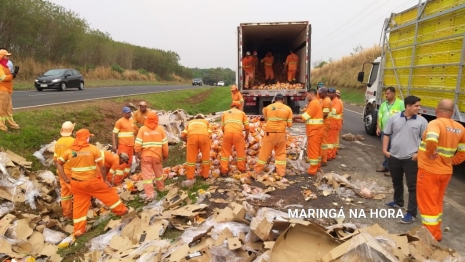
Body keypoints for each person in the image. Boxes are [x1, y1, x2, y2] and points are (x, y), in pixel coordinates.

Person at [57, 129, 128, 237]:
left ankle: (78, 230)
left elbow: (59, 163)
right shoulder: (93, 149)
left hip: (76, 184)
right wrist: (104, 180)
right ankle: (122, 211)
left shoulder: (71, 151)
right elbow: (102, 166)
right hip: (92, 182)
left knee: (79, 208)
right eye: (89, 137)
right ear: (87, 138)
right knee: (109, 194)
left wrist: (65, 178)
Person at [417, 99, 465, 241]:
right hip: (445, 172)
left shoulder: (435, 123)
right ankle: (436, 233)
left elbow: (432, 139)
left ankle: (430, 237)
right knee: (437, 202)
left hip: (429, 171)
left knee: (428, 204)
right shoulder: (460, 128)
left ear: (437, 110)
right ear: (452, 112)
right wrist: (452, 161)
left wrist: (430, 153)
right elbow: (463, 151)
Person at [382, 96, 428, 223]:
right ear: (408, 106)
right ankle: (398, 202)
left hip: (411, 158)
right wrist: (385, 150)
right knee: (396, 181)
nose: (419, 108)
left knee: (412, 186)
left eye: (419, 106)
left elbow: (426, 141)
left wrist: (418, 154)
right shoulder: (394, 118)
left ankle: (411, 213)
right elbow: (387, 134)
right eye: (416, 106)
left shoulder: (422, 121)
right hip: (394, 156)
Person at [254, 94, 293, 177]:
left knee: (264, 153)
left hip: (269, 134)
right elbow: (289, 125)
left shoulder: (268, 107)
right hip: (281, 135)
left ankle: (257, 171)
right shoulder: (288, 109)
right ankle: (281, 173)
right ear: (283, 100)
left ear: (274, 100)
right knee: (281, 154)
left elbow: (265, 118)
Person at [135, 112, 169, 201]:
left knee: (147, 177)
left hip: (146, 156)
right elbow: (165, 145)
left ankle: (150, 195)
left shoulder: (142, 129)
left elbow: (138, 144)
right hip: (157, 156)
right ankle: (161, 188)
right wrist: (165, 155)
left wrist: (137, 154)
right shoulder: (160, 129)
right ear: (156, 120)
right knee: (159, 174)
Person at [293, 89, 324, 175]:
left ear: (311, 94)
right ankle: (317, 167)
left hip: (314, 131)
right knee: (317, 151)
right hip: (317, 130)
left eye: (307, 95)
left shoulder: (313, 103)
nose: (306, 97)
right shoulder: (316, 103)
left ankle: (312, 171)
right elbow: (309, 118)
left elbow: (305, 116)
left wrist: (293, 117)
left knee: (313, 152)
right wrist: (297, 121)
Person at [377, 86, 405, 173]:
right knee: (386, 150)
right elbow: (379, 116)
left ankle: (393, 169)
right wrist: (378, 127)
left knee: (394, 151)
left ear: (393, 94)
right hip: (385, 131)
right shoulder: (383, 105)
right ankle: (386, 166)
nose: (386, 95)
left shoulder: (400, 103)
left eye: (388, 93)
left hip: (396, 132)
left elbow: (405, 116)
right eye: (385, 94)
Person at [53, 121, 76, 220]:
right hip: (71, 172)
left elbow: (55, 159)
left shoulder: (58, 142)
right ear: (72, 130)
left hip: (61, 171)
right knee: (77, 192)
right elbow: (77, 158)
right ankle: (79, 213)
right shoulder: (73, 141)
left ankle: (67, 214)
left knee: (65, 193)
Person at [220, 101, 250, 176]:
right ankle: (242, 169)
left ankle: (224, 171)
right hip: (238, 134)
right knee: (240, 153)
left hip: (227, 134)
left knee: (225, 153)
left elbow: (222, 128)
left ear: (231, 106)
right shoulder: (242, 113)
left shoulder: (225, 113)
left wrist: (226, 135)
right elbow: (247, 128)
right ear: (239, 107)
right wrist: (246, 137)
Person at [181, 114, 212, 185]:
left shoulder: (190, 123)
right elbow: (210, 134)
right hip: (204, 137)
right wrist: (208, 145)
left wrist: (188, 142)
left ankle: (190, 177)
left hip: (192, 137)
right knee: (205, 158)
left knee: (191, 160)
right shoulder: (205, 122)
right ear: (202, 118)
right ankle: (205, 175)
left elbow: (182, 135)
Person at [0, 49, 20, 132]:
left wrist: (14, 74)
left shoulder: (5, 66)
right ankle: (2, 127)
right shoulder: (0, 66)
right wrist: (12, 75)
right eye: (6, 56)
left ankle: (13, 126)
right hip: (2, 90)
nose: (8, 58)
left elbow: (9, 77)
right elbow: (3, 78)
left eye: (8, 56)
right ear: (1, 56)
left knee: (9, 109)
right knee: (1, 110)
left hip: (8, 90)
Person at [112, 107, 135, 174]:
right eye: (127, 113)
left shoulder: (132, 121)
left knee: (129, 163)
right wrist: (114, 145)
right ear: (123, 114)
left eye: (130, 112)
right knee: (122, 163)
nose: (129, 114)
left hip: (131, 146)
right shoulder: (120, 122)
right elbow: (114, 133)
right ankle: (117, 179)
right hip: (123, 145)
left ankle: (124, 177)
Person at [327, 88, 343, 160]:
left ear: (334, 94)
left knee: (330, 141)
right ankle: (332, 154)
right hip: (332, 123)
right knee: (332, 141)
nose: (329, 94)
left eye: (330, 93)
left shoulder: (337, 102)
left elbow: (335, 111)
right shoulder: (333, 101)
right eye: (328, 93)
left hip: (334, 124)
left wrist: (325, 110)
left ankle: (329, 155)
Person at [319, 88, 332, 166]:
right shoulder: (324, 100)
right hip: (324, 122)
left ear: (324, 93)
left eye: (320, 93)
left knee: (323, 142)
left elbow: (325, 114)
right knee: (322, 141)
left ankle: (323, 160)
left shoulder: (326, 101)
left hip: (325, 123)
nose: (319, 94)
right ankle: (322, 157)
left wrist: (316, 117)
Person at [335, 89, 344, 154]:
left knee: (335, 136)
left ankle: (335, 149)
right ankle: (335, 149)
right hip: (338, 121)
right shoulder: (340, 101)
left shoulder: (338, 102)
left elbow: (336, 112)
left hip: (336, 122)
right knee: (336, 136)